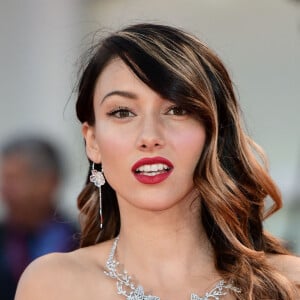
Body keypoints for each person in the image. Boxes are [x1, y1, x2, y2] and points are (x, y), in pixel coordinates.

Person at [15, 23, 300, 300]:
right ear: (93, 142)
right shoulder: (53, 285)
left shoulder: (287, 285)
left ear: (214, 131)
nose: (150, 137)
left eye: (176, 110)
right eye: (123, 112)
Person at [0, 136, 78, 299]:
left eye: (15, 180)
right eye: (5, 180)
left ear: (50, 182)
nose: (5, 191)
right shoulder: (5, 239)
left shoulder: (82, 241)